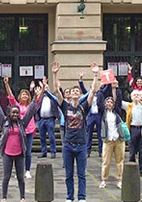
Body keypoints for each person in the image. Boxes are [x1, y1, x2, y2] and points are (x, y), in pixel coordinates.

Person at [51, 61, 94, 202]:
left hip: (81, 145)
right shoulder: (65, 106)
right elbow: (57, 91)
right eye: (73, 91)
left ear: (79, 94)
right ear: (70, 95)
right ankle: (70, 197)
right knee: (68, 174)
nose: (75, 93)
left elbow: (93, 91)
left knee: (81, 174)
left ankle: (82, 197)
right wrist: (55, 73)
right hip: (68, 145)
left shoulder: (84, 107)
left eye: (77, 91)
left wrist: (95, 75)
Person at [0, 81, 39, 202]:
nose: (15, 114)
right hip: (7, 153)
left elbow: (31, 110)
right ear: (10, 114)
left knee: (21, 177)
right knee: (6, 177)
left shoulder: (23, 123)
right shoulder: (4, 123)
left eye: (17, 112)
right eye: (13, 112)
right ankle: (4, 197)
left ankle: (22, 197)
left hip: (19, 154)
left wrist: (37, 96)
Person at [5, 77, 37, 178]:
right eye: (23, 94)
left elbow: (37, 99)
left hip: (30, 130)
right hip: (19, 131)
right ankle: (19, 171)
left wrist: (42, 89)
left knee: (28, 151)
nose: (25, 96)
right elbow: (10, 96)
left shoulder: (31, 106)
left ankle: (27, 170)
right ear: (20, 96)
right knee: (19, 151)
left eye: (26, 94)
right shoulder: (17, 105)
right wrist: (6, 84)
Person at [99, 91, 126, 190]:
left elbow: (118, 99)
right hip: (108, 140)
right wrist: (101, 88)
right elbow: (99, 99)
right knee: (106, 161)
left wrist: (115, 88)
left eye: (111, 102)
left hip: (118, 139)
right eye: (108, 102)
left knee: (120, 160)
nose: (109, 104)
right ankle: (104, 179)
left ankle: (119, 179)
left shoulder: (117, 112)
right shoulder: (103, 113)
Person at [121, 88, 142, 177]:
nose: (136, 96)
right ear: (131, 97)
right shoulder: (128, 105)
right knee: (132, 150)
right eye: (134, 95)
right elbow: (118, 101)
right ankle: (132, 169)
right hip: (133, 129)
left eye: (138, 95)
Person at [35, 74, 61, 160]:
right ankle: (44, 152)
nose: (45, 89)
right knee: (42, 137)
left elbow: (59, 92)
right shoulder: (41, 97)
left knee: (51, 136)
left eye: (47, 88)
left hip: (50, 119)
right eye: (44, 88)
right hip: (41, 119)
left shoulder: (52, 97)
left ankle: (53, 152)